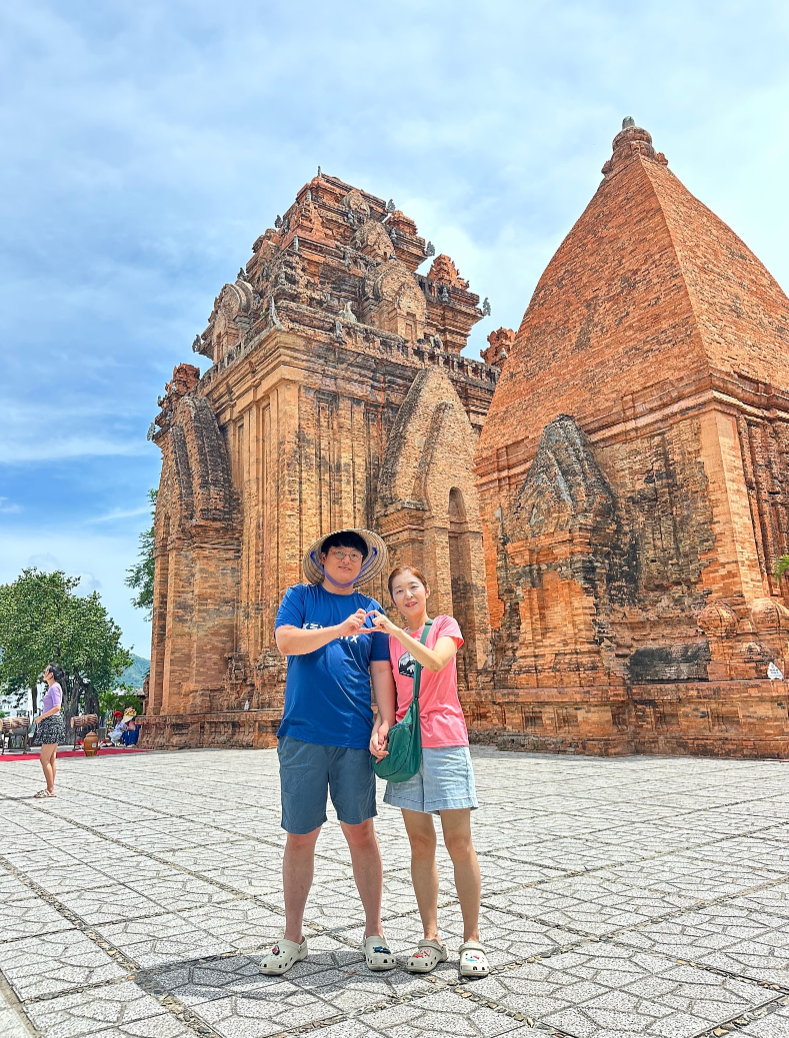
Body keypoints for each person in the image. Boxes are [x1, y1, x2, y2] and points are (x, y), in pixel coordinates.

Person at [260, 528, 397, 976]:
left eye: (354, 555)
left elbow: (380, 670)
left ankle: (373, 933)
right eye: (337, 553)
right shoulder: (300, 597)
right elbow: (286, 642)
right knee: (300, 835)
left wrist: (384, 719)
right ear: (322, 560)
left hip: (353, 737)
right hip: (303, 734)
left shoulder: (373, 610)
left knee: (362, 833)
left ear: (362, 564)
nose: (345, 560)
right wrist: (340, 630)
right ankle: (293, 936)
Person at [369, 565, 490, 977]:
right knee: (420, 844)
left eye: (413, 588)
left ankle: (472, 938)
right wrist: (380, 727)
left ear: (426, 591)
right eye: (399, 591)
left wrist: (399, 633)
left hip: (445, 741)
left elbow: (436, 663)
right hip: (408, 749)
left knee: (459, 842)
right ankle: (431, 936)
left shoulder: (444, 626)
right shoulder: (388, 641)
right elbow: (390, 696)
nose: (407, 596)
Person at [32, 664, 67, 798]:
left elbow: (57, 707)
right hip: (51, 723)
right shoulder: (52, 688)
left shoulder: (55, 687)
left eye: (46, 670)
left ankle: (50, 789)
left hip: (52, 723)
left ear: (51, 674)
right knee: (51, 758)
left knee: (44, 759)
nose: (44, 672)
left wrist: (41, 717)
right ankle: (50, 788)